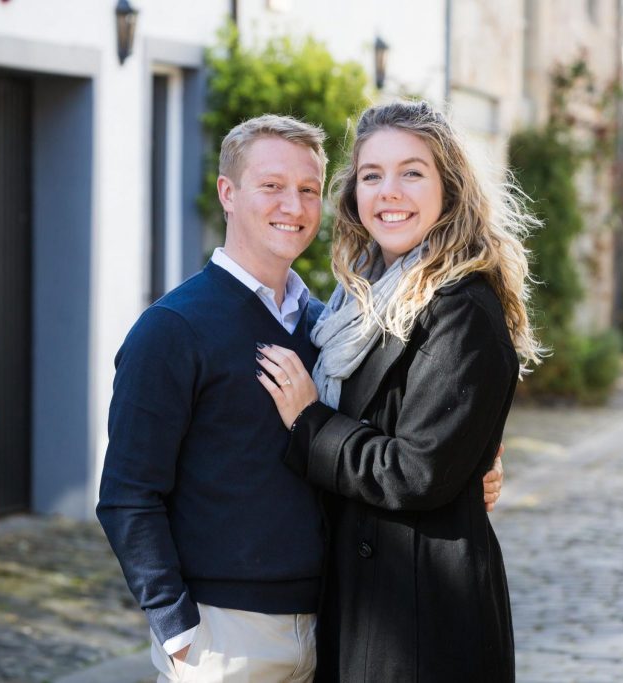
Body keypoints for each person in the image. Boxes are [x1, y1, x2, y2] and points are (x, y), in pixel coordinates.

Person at [97, 113, 504, 682]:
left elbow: (405, 435)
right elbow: (127, 495)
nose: (292, 205)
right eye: (272, 186)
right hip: (226, 636)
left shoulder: (331, 327)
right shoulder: (172, 330)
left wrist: (469, 462)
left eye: (308, 190)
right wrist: (177, 625)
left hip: (337, 623)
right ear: (228, 193)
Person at [256, 100, 541, 682]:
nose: (390, 192)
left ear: (449, 188)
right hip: (365, 599)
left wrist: (308, 422)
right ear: (354, 194)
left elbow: (415, 471)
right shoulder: (353, 303)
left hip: (423, 618)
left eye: (412, 172)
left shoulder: (459, 306)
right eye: (372, 175)